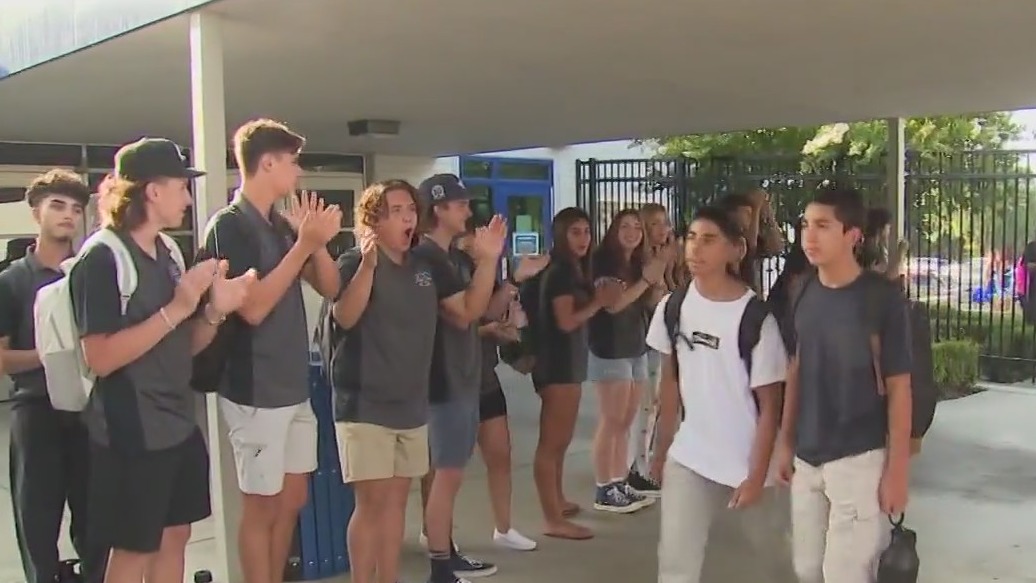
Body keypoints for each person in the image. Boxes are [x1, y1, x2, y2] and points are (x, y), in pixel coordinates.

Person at [70, 138, 254, 583]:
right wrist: (178, 306)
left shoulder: (169, 253)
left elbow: (181, 346)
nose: (188, 198)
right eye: (181, 187)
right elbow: (101, 357)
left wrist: (213, 311)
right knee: (134, 549)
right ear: (152, 191)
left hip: (177, 424)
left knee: (176, 537)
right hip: (131, 430)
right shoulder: (101, 259)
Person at [330, 179, 507, 583]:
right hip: (364, 406)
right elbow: (344, 317)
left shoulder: (427, 264)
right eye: (396, 211)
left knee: (395, 505)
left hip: (411, 406)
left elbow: (467, 311)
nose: (408, 217)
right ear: (373, 220)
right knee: (371, 504)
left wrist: (487, 261)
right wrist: (369, 265)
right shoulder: (354, 261)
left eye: (411, 209)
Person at [198, 119, 343, 583]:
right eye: (292, 162)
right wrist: (302, 247)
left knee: (293, 499)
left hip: (292, 384)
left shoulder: (281, 226)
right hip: (254, 387)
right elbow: (254, 308)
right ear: (267, 163)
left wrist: (312, 244)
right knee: (261, 506)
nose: (298, 173)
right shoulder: (230, 225)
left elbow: (332, 286)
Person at [774, 187, 913, 583]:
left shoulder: (881, 299)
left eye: (823, 226)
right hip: (807, 456)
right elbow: (796, 367)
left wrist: (897, 469)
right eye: (805, 225)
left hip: (859, 459)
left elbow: (900, 387)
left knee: (846, 574)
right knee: (807, 569)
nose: (809, 237)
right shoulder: (801, 290)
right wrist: (786, 441)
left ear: (853, 235)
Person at [646, 205, 788, 583]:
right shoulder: (672, 307)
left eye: (708, 240)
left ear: (736, 250)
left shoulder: (756, 318)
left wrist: (756, 477)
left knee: (770, 565)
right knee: (676, 564)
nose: (695, 249)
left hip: (748, 463)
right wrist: (661, 453)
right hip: (690, 457)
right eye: (690, 238)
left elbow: (769, 407)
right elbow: (669, 386)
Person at [0, 169, 107, 583]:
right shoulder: (11, 281)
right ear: (36, 214)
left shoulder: (86, 274)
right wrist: (51, 358)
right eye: (57, 206)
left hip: (87, 411)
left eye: (76, 209)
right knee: (38, 522)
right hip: (36, 411)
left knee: (96, 523)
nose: (68, 216)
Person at [532, 207, 623, 540]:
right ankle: (551, 518)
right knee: (551, 443)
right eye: (575, 232)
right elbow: (566, 321)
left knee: (561, 441)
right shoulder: (560, 274)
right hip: (556, 366)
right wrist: (599, 301)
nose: (583, 238)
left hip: (568, 364)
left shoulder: (573, 270)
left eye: (586, 231)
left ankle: (557, 502)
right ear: (560, 234)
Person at [457, 232, 539, 551]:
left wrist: (506, 332)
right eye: (468, 248)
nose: (474, 253)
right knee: (446, 466)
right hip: (454, 384)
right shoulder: (449, 278)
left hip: (485, 380)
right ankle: (434, 530)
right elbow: (460, 324)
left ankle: (504, 528)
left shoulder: (489, 282)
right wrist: (488, 329)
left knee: (500, 456)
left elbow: (492, 317)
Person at [587, 209, 665, 513]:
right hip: (609, 348)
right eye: (625, 227)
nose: (633, 232)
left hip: (636, 345)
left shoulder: (637, 264)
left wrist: (655, 284)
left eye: (637, 227)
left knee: (625, 420)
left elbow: (645, 302)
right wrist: (646, 281)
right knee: (611, 419)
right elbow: (613, 303)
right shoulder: (604, 262)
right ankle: (603, 486)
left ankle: (619, 481)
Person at [625, 203, 679, 496]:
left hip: (659, 341)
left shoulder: (663, 258)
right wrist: (660, 275)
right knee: (643, 408)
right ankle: (637, 468)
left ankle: (644, 464)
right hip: (644, 340)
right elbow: (653, 300)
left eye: (666, 223)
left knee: (655, 406)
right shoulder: (643, 261)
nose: (665, 229)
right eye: (657, 223)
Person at [718, 190, 784, 292]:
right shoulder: (725, 237)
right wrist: (756, 207)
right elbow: (749, 246)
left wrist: (769, 216)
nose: (752, 217)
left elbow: (777, 247)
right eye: (747, 213)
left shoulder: (756, 235)